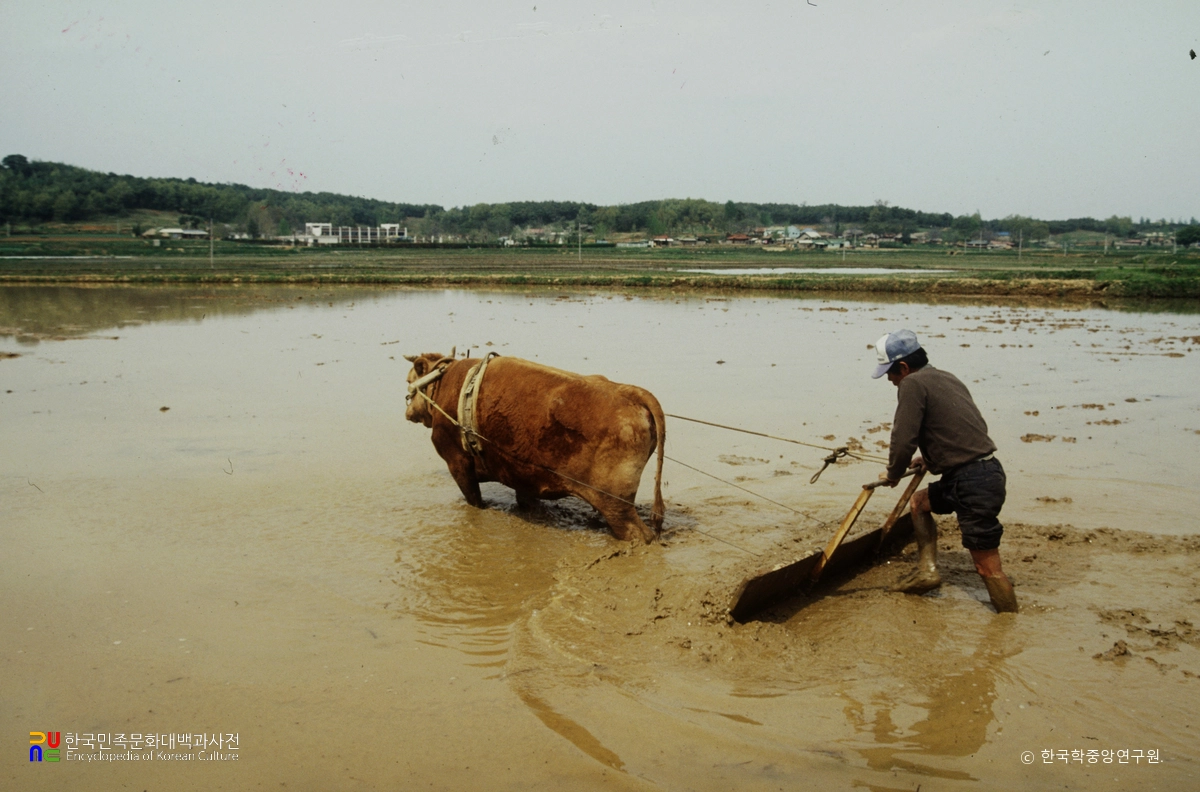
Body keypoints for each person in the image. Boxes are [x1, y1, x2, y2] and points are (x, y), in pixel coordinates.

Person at [871, 329, 1018, 613]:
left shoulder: (912, 383)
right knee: (919, 503)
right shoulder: (947, 377)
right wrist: (931, 458)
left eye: (890, 373)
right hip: (978, 473)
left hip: (972, 482)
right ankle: (927, 571)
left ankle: (1009, 622)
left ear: (903, 367)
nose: (889, 380)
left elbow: (903, 438)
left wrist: (893, 474)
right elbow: (964, 427)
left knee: (987, 568)